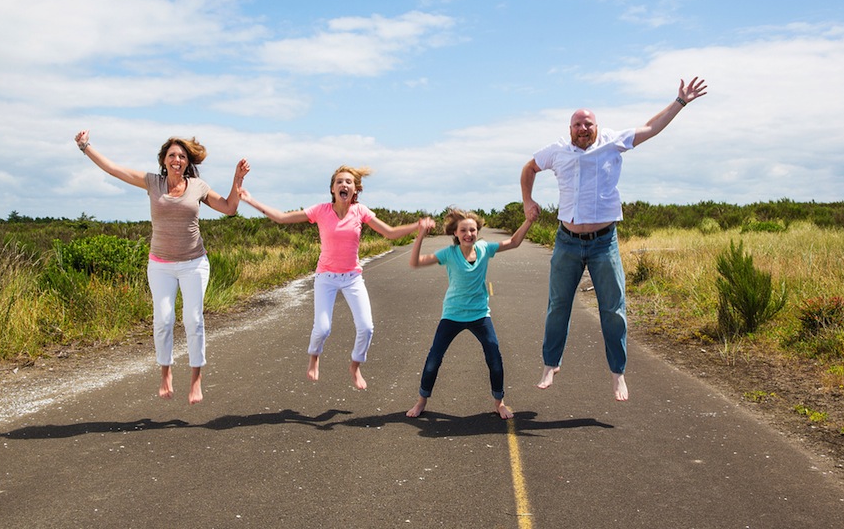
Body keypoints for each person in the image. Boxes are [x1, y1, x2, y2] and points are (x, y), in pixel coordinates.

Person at [521, 77, 708, 401]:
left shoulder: (613, 142)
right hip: (567, 241)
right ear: (570, 128)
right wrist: (527, 200)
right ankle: (551, 364)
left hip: (603, 242)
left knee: (613, 309)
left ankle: (618, 374)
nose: (583, 128)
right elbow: (529, 168)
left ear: (596, 126)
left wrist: (680, 102)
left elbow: (651, 128)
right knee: (558, 307)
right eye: (577, 124)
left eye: (588, 123)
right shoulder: (556, 151)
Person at [73, 129, 250, 404]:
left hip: (194, 263)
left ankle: (195, 379)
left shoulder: (197, 187)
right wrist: (86, 147)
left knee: (193, 320)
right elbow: (113, 169)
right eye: (172, 155)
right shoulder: (152, 183)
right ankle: (165, 373)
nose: (177, 159)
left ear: (187, 162)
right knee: (164, 320)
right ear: (164, 160)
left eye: (181, 156)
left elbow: (229, 208)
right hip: (160, 265)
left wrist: (237, 180)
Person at [238, 166, 429, 390]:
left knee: (367, 327)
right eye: (339, 182)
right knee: (322, 328)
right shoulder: (321, 210)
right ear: (332, 189)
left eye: (348, 182)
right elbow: (281, 218)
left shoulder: (361, 211)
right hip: (326, 277)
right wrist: (251, 200)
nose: (343, 185)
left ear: (355, 189)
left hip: (352, 277)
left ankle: (355, 366)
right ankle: (314, 358)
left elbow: (389, 232)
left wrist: (417, 226)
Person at [405, 207, 537, 420]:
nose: (469, 234)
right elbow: (415, 262)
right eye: (463, 230)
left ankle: (499, 402)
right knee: (433, 359)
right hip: (452, 314)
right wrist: (421, 235)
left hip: (479, 315)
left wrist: (529, 221)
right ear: (455, 233)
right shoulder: (449, 254)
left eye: (472, 230)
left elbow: (513, 242)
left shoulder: (485, 248)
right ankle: (421, 401)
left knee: (494, 355)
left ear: (478, 231)